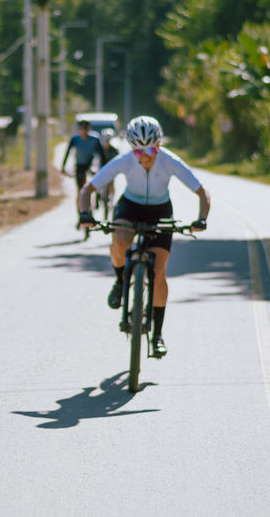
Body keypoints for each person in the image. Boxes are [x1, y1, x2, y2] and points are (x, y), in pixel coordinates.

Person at [78, 115, 209, 358]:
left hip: (160, 211)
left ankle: (157, 335)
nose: (144, 155)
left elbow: (202, 192)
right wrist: (85, 213)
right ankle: (120, 281)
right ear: (131, 148)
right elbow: (88, 189)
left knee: (159, 273)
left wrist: (201, 219)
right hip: (131, 206)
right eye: (138, 151)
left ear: (158, 145)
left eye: (150, 149)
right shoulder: (125, 161)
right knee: (119, 239)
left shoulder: (169, 161)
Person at [60, 119, 106, 226]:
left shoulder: (95, 140)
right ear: (79, 130)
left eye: (86, 129)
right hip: (79, 167)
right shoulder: (75, 139)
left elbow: (101, 155)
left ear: (89, 129)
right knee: (80, 192)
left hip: (90, 166)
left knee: (91, 187)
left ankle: (96, 199)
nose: (84, 132)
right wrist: (63, 167)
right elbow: (67, 153)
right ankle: (80, 215)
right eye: (82, 129)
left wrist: (103, 168)